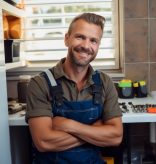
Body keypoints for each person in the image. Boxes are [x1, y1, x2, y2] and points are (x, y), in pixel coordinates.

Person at [25, 13, 123, 164]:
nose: (86, 46)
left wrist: (68, 125)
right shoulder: (39, 83)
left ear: (98, 46)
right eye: (80, 37)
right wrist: (95, 131)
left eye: (93, 41)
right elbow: (44, 142)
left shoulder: (105, 82)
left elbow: (116, 137)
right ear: (66, 39)